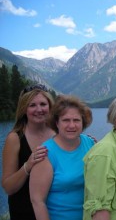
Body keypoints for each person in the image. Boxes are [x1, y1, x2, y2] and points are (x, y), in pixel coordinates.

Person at [29, 95, 95, 220]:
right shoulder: (46, 153)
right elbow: (37, 201)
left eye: (76, 120)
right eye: (66, 120)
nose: (71, 125)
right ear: (56, 123)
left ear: (83, 122)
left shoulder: (90, 143)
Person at [1, 84, 55, 220]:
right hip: (24, 213)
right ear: (24, 109)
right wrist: (28, 165)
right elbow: (8, 187)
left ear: (50, 106)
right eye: (32, 105)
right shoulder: (15, 138)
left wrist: (86, 142)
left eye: (43, 104)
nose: (39, 109)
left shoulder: (59, 134)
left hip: (55, 211)